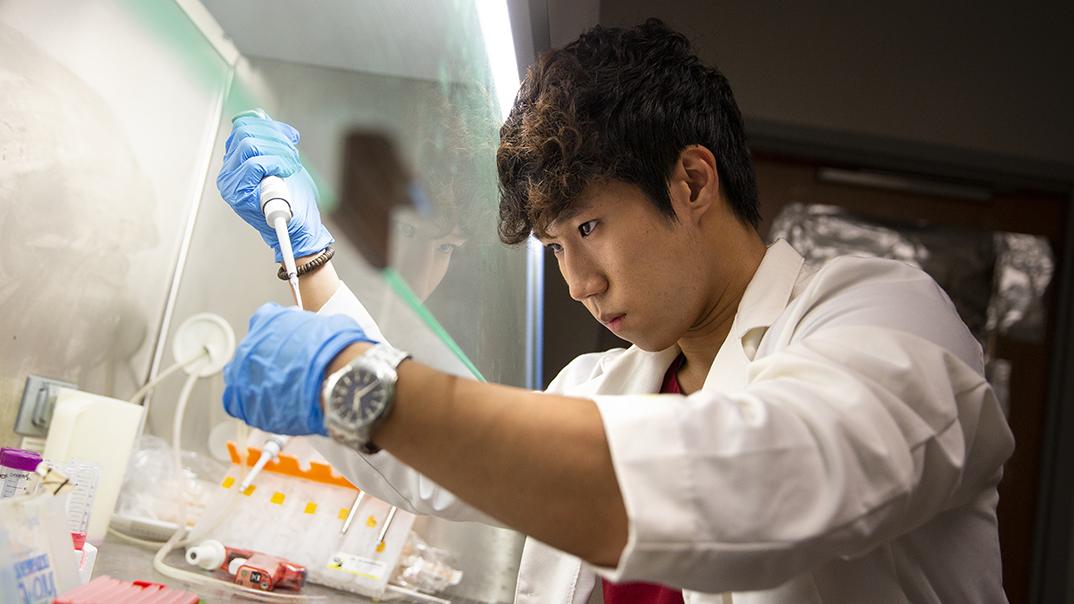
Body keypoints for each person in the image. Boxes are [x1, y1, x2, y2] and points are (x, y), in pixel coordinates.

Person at [216, 19, 1014, 604]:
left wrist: (361, 383)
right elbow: (429, 463)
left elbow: (762, 479)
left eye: (589, 229)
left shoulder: (887, 319)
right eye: (556, 248)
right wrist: (309, 261)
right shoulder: (601, 385)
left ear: (692, 182)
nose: (578, 283)